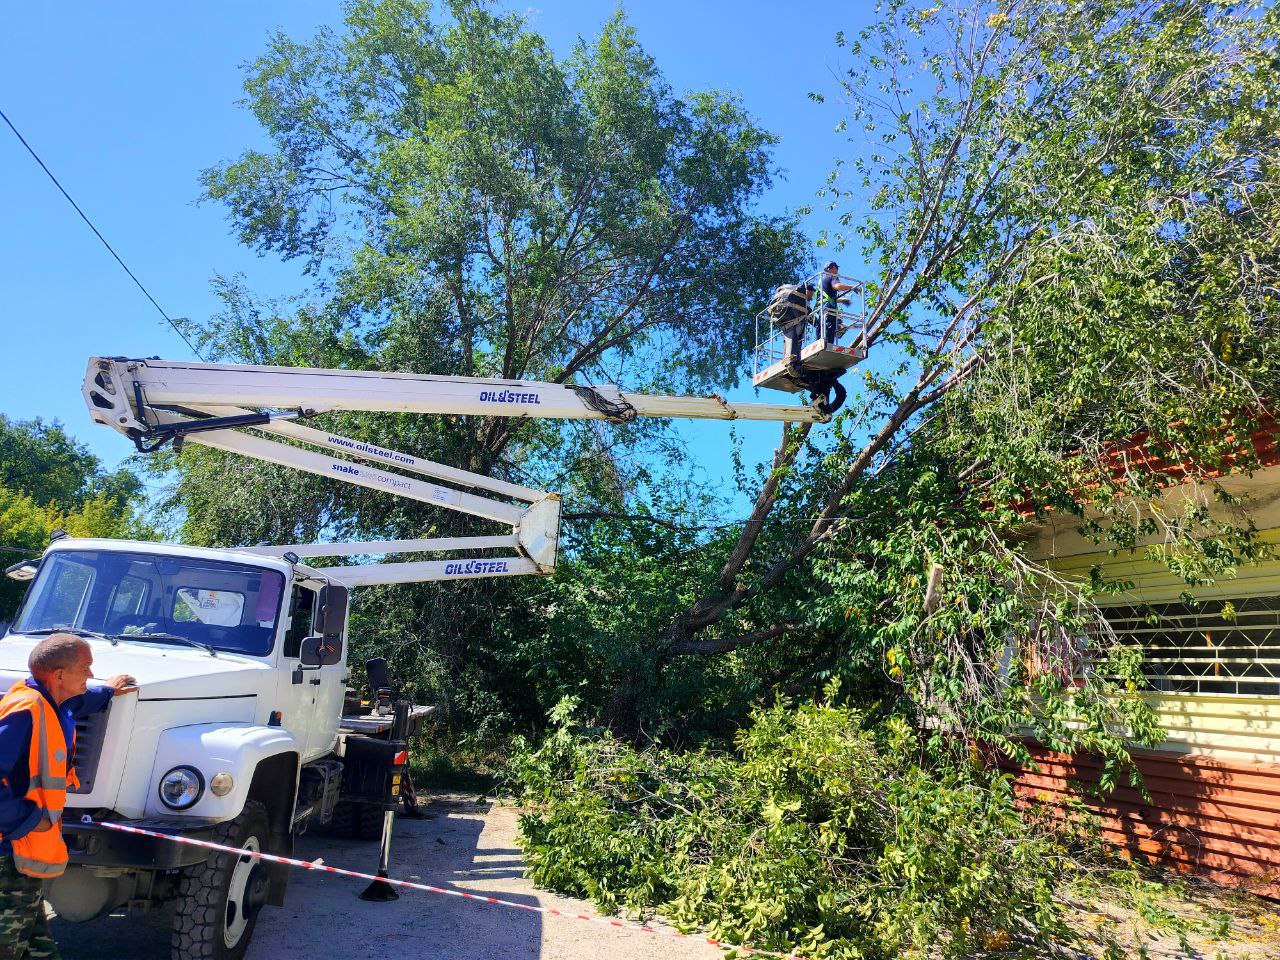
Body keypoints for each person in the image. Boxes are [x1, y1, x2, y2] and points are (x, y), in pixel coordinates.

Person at [0, 634, 137, 959]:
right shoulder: (26, 713)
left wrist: (108, 692)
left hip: (24, 857)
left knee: (38, 949)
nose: (91, 675)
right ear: (59, 675)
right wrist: (31, 821)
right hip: (9, 858)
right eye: (85, 668)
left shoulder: (51, 700)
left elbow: (76, 703)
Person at [817, 261, 855, 343]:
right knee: (829, 331)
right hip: (828, 309)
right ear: (833, 268)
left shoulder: (821, 280)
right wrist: (852, 287)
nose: (837, 270)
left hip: (821, 309)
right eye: (836, 268)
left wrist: (842, 300)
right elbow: (837, 286)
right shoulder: (832, 276)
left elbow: (827, 297)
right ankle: (828, 344)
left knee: (822, 331)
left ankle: (821, 343)